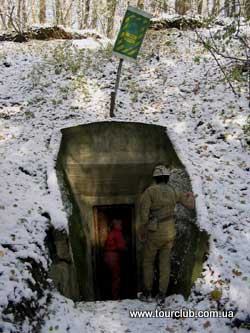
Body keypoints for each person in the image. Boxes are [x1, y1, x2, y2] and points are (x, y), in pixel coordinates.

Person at [138, 165, 195, 305]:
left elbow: (144, 216)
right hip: (170, 231)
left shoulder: (150, 192)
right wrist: (190, 195)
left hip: (155, 232)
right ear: (167, 177)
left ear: (155, 178)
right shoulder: (173, 190)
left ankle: (147, 293)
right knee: (165, 263)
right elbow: (189, 204)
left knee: (148, 262)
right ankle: (162, 294)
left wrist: (143, 230)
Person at [104, 219, 127, 300]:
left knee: (109, 276)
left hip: (107, 256)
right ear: (115, 225)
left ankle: (108, 295)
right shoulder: (117, 233)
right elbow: (122, 247)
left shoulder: (111, 233)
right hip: (113, 256)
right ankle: (115, 297)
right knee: (116, 277)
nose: (121, 225)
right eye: (119, 224)